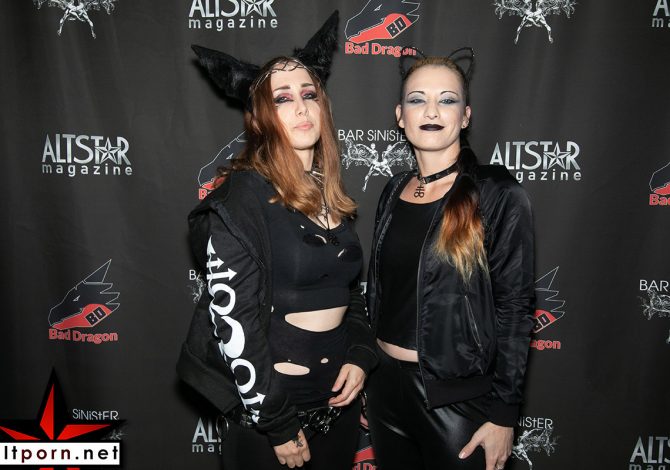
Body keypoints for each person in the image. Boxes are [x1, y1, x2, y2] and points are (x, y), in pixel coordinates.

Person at [177, 12, 377, 469]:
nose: (301, 107)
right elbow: (234, 319)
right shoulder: (242, 198)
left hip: (338, 409)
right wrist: (277, 422)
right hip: (273, 419)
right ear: (259, 118)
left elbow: (349, 293)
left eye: (309, 94)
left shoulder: (330, 193)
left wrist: (361, 354)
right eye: (282, 98)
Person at [365, 51, 535, 470]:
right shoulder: (393, 190)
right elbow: (382, 293)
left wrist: (504, 413)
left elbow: (515, 308)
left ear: (465, 116)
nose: (432, 111)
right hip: (384, 391)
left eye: (447, 100)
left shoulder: (496, 193)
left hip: (456, 404)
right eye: (417, 99)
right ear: (400, 116)